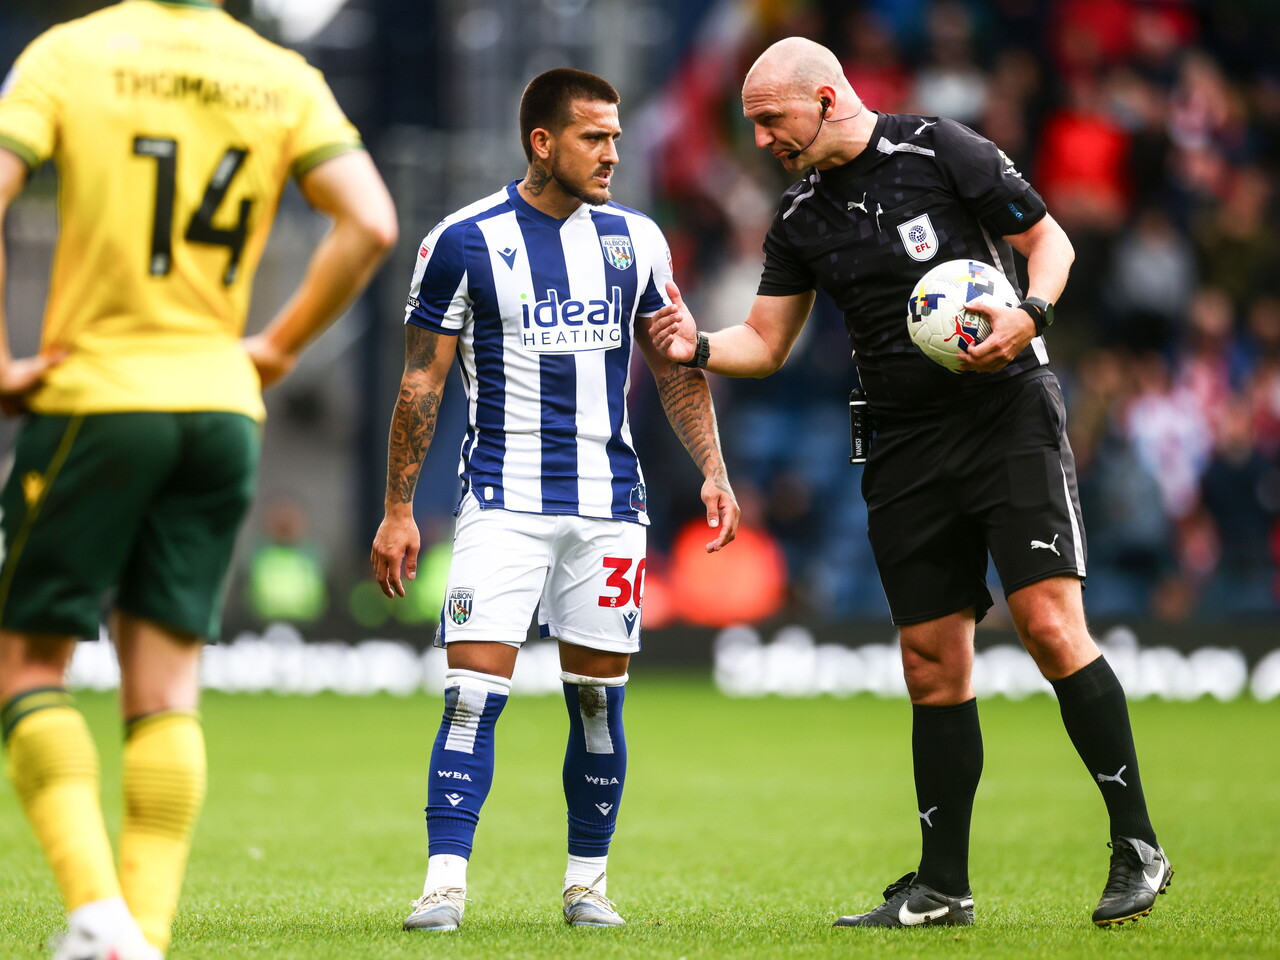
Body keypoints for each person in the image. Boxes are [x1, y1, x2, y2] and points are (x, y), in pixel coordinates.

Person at [649, 36, 1172, 930]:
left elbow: (1051, 244)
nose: (763, 140)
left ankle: (1137, 846)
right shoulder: (800, 217)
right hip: (902, 443)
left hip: (1006, 413)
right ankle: (942, 888)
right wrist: (694, 345)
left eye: (770, 120)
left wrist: (1028, 314)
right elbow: (766, 343)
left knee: (1049, 626)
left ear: (822, 97)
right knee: (933, 667)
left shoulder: (943, 150)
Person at [0, 2, 398, 958]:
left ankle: (97, 913)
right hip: (221, 407)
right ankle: (142, 935)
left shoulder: (72, 53)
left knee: (25, 665)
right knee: (169, 687)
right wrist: (277, 346)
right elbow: (372, 223)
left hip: (98, 391)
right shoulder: (279, 75)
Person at [370, 67, 739, 932]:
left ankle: (587, 885)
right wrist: (397, 510)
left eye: (616, 136)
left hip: (611, 507)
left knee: (597, 703)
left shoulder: (638, 241)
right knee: (471, 693)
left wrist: (714, 469)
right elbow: (421, 383)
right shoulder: (462, 239)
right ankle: (444, 886)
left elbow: (676, 366)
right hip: (502, 503)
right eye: (594, 137)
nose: (613, 152)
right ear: (543, 142)